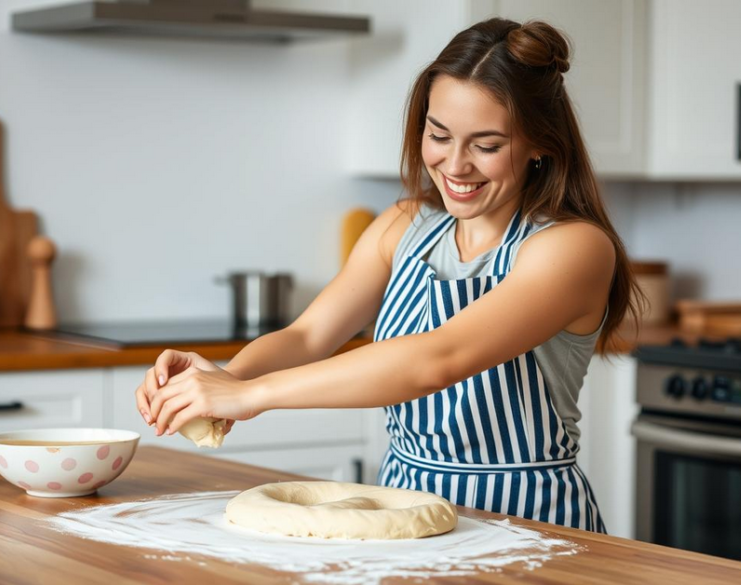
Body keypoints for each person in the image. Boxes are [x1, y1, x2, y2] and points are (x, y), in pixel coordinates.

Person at [135, 17, 639, 534]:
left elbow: (438, 359)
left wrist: (251, 396)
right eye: (438, 135)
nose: (455, 165)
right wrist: (224, 381)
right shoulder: (403, 225)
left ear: (541, 145)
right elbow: (308, 336)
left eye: (486, 145)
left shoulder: (572, 248)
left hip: (531, 525)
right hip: (400, 512)